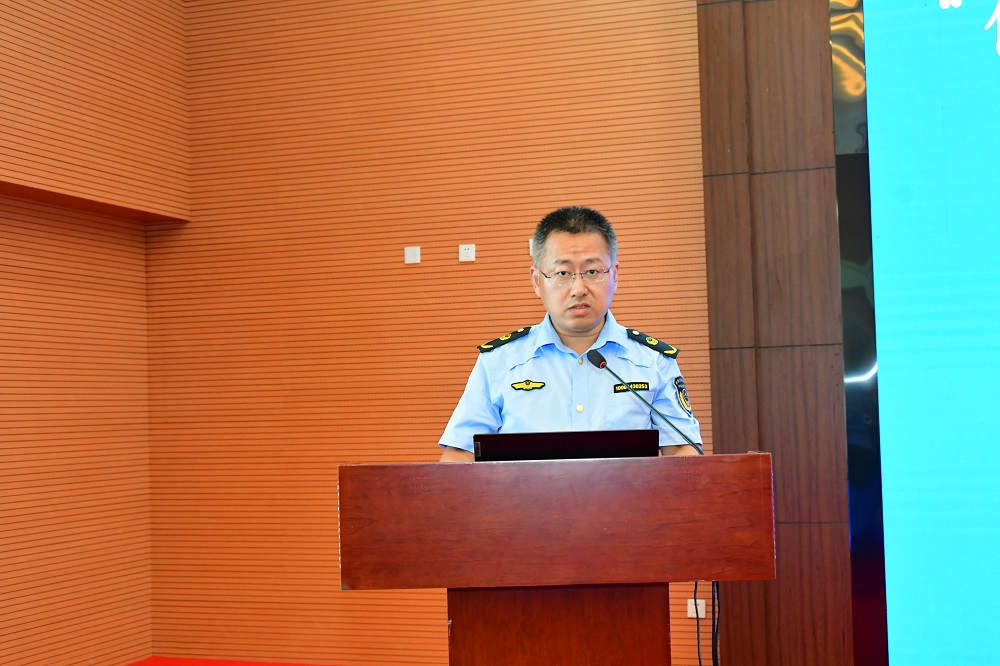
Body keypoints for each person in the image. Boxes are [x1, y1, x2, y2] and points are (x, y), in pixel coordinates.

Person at [438, 206, 701, 462]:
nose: (578, 288)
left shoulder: (654, 362)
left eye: (593, 272)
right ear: (537, 281)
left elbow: (683, 453)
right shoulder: (499, 362)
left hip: (627, 495)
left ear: (615, 275)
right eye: (562, 273)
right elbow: (460, 455)